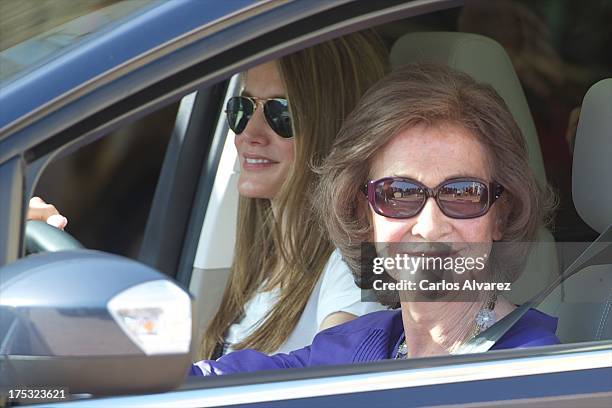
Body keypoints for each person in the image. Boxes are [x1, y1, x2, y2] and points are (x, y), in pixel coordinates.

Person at [190, 63, 559, 376]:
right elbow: (219, 384)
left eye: (462, 194)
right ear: (363, 215)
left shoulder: (527, 370)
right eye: (399, 194)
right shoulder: (364, 344)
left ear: (501, 215)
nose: (430, 226)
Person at [198, 31, 390, 359]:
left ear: (333, 126)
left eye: (281, 114)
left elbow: (338, 388)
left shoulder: (356, 265)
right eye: (242, 108)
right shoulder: (266, 263)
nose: (249, 133)